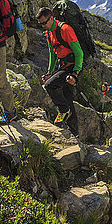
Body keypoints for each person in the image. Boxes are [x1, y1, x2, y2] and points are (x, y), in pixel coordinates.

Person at [36, 7, 83, 136]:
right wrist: (50, 71)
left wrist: (75, 74)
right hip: (63, 65)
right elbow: (52, 52)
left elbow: (79, 53)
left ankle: (63, 110)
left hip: (73, 66)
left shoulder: (65, 29)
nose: (43, 26)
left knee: (50, 85)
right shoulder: (48, 33)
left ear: (52, 18)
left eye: (44, 22)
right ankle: (74, 133)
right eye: (40, 24)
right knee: (68, 97)